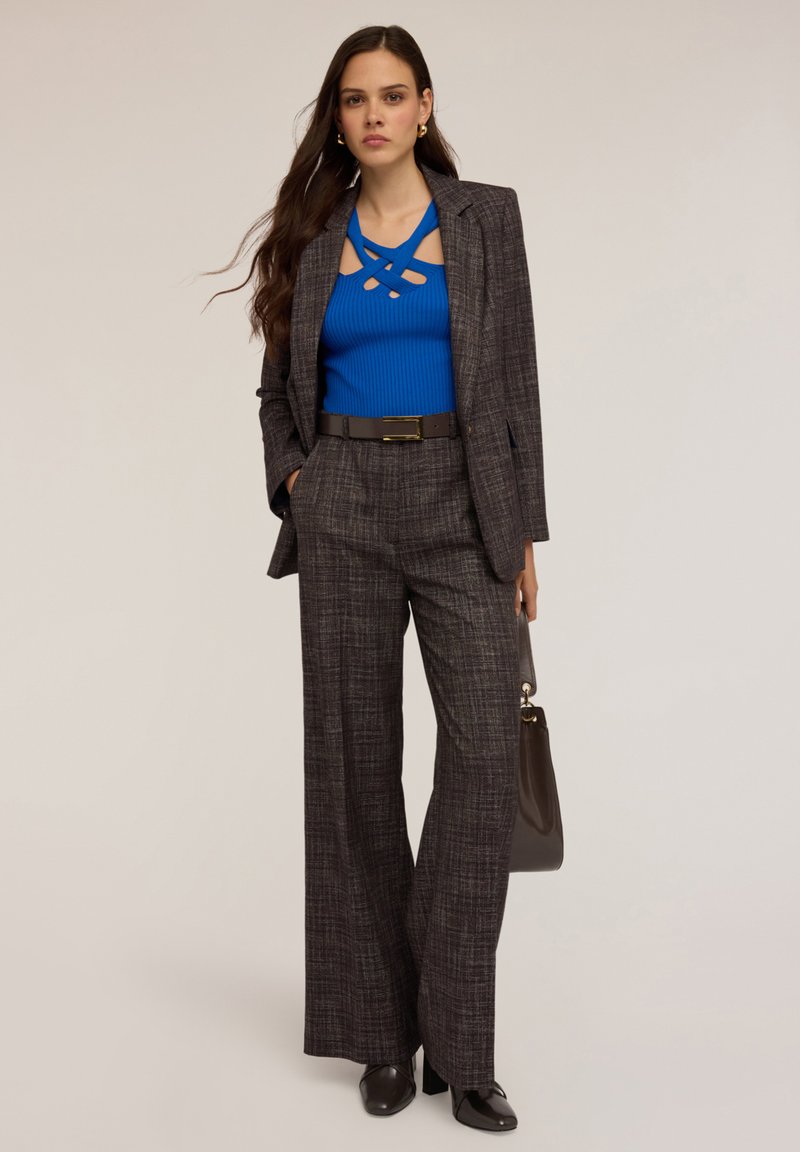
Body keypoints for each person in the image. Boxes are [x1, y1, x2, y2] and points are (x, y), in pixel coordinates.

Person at [218, 23, 549, 1135]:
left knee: (482, 757)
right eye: (355, 99)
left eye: (392, 95)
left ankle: (461, 1041)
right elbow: (275, 391)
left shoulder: (486, 217)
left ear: (423, 107)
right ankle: (381, 1035)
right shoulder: (311, 237)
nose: (373, 115)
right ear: (339, 116)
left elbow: (515, 380)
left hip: (462, 502)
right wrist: (296, 482)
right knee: (354, 770)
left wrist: (523, 535)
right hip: (345, 505)